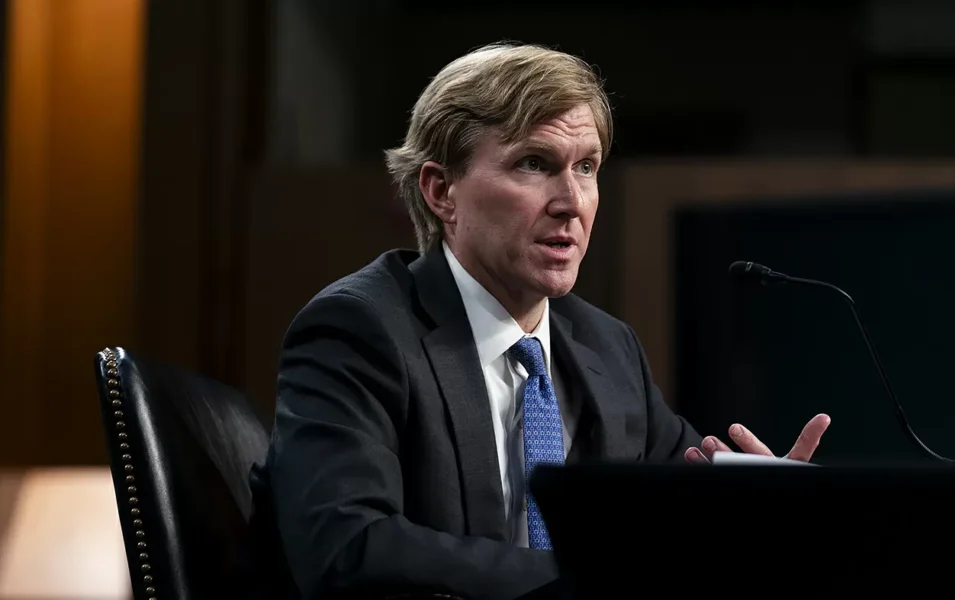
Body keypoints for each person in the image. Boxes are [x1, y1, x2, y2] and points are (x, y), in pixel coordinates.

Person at [246, 42, 831, 600]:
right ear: (441, 191)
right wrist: (584, 577)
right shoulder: (359, 331)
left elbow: (679, 512)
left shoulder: (607, 348)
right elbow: (349, 547)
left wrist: (763, 512)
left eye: (587, 167)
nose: (571, 201)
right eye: (534, 164)